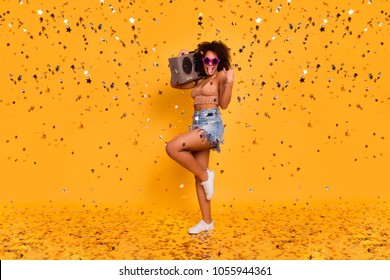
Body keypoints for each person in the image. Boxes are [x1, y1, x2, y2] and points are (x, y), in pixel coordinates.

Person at [166, 41, 234, 234]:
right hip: (197, 125)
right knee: (199, 174)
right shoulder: (199, 79)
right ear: (202, 60)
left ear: (219, 61)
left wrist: (229, 83)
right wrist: (181, 60)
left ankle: (206, 176)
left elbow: (225, 104)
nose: (210, 64)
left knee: (172, 147)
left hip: (211, 125)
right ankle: (207, 221)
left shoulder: (221, 75)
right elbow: (175, 83)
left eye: (214, 60)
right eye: (206, 60)